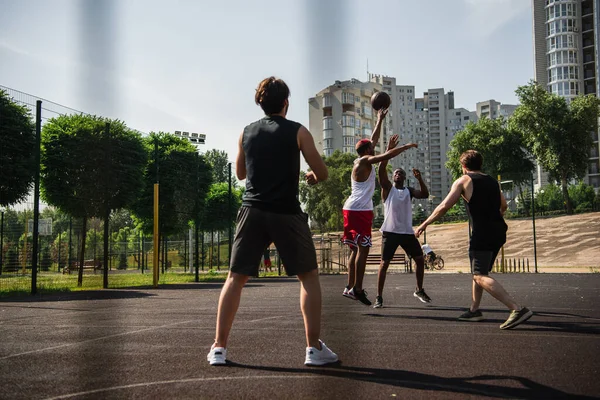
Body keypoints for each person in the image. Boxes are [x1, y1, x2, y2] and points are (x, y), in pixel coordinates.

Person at [207, 77, 338, 366]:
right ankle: (313, 349)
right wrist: (313, 177)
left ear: (260, 102)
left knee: (235, 278)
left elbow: (241, 174)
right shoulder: (299, 132)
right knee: (309, 277)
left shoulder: (246, 132)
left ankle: (219, 348)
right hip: (286, 212)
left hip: (252, 210)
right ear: (286, 103)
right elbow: (323, 172)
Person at [415, 150, 533, 329]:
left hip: (483, 233)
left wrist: (425, 223)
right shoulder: (493, 181)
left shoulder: (463, 180)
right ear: (480, 164)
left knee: (479, 275)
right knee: (479, 273)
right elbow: (504, 206)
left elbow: (444, 206)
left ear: (463, 167)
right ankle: (474, 310)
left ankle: (516, 309)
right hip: (499, 231)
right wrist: (492, 218)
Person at [342, 111, 418, 306]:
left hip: (351, 208)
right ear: (368, 150)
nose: (374, 148)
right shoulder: (365, 161)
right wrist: (405, 146)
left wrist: (379, 119)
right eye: (372, 148)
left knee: (354, 250)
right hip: (359, 210)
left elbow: (374, 139)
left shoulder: (360, 159)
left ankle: (350, 286)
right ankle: (357, 290)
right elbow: (387, 155)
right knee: (364, 249)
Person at [374, 134, 431, 309]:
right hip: (390, 232)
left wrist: (420, 178)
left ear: (405, 178)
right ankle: (379, 297)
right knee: (384, 265)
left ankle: (419, 289)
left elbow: (426, 195)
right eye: (396, 172)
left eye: (401, 173)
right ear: (393, 177)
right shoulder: (388, 189)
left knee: (420, 260)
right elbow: (381, 169)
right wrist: (389, 150)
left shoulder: (409, 191)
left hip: (406, 232)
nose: (397, 173)